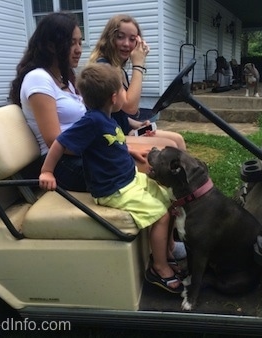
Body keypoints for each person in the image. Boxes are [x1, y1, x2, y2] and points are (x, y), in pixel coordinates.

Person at [39, 63, 183, 294]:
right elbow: (59, 143)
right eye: (123, 90)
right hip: (113, 190)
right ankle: (158, 267)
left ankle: (165, 250)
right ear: (115, 97)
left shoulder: (106, 119)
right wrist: (47, 171)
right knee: (161, 215)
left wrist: (130, 152)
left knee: (169, 196)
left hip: (128, 179)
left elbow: (111, 142)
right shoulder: (91, 121)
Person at [88, 14, 186, 171]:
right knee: (171, 147)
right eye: (120, 37)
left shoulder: (119, 70)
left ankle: (186, 188)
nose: (127, 44)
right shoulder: (104, 68)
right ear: (109, 39)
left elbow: (116, 110)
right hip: (110, 138)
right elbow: (130, 107)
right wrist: (138, 65)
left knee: (178, 140)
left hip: (124, 130)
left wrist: (137, 124)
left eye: (132, 39)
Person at [9, 12, 87, 191]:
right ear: (51, 46)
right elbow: (54, 140)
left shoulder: (64, 78)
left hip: (79, 154)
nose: (79, 49)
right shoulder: (38, 78)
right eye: (71, 43)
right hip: (61, 163)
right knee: (141, 168)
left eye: (80, 42)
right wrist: (99, 148)